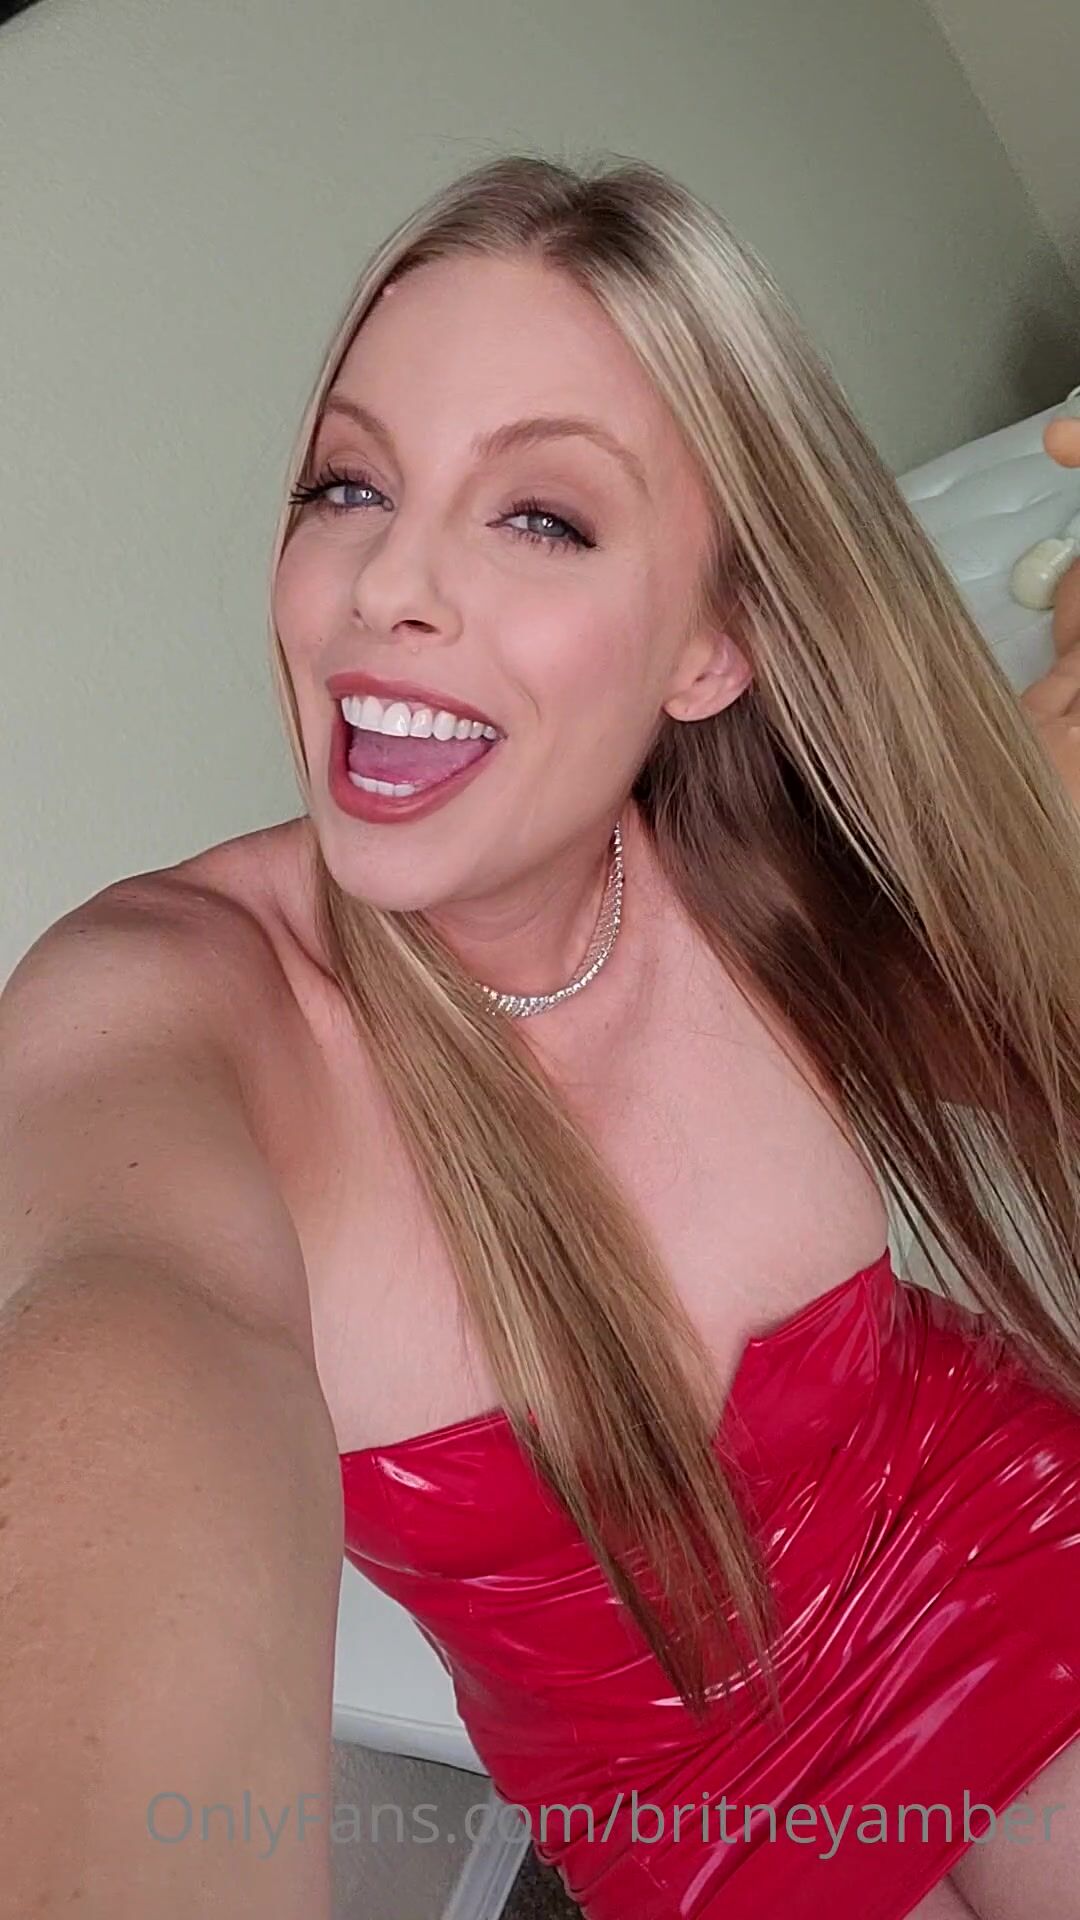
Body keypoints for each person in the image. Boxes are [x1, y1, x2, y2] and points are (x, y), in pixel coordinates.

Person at [3, 151, 1080, 1920]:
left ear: (711, 646)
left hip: (993, 1540)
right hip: (674, 1811)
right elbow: (125, 1343)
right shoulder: (175, 1005)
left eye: (543, 518)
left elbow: (1030, 1046)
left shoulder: (766, 873)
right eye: (349, 485)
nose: (385, 583)